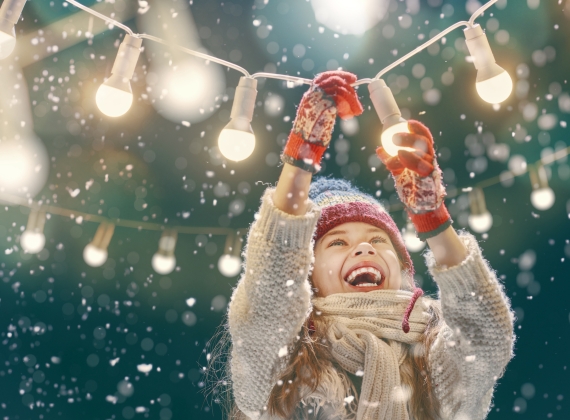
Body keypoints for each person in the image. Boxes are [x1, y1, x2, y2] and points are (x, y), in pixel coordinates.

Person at [223, 71, 514, 420]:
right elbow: (268, 293)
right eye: (338, 242)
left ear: (403, 268)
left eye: (378, 240)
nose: (364, 250)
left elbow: (486, 336)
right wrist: (300, 159)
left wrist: (433, 219)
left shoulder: (430, 360)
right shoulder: (284, 359)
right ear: (307, 272)